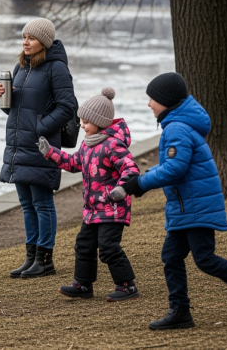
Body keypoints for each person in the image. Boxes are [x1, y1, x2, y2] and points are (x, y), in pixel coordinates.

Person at [122, 73, 227, 330]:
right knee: (171, 256)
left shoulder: (176, 128)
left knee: (204, 258)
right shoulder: (178, 124)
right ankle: (180, 311)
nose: (149, 103)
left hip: (194, 206)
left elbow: (175, 169)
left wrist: (140, 183)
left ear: (166, 101)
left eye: (153, 98)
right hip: (187, 207)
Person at [38, 87, 141, 301]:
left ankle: (127, 285)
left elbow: (131, 170)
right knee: (83, 245)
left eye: (85, 122)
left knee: (108, 247)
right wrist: (50, 152)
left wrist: (121, 189)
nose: (81, 125)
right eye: (81, 121)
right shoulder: (87, 144)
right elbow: (73, 163)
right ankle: (83, 285)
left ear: (100, 122)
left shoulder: (113, 145)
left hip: (112, 208)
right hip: (92, 210)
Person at [0, 18, 77, 279]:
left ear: (44, 41)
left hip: (41, 146)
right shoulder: (21, 66)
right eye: (24, 37)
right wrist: (0, 97)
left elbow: (67, 108)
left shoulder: (57, 69)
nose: (25, 42)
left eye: (31, 37)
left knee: (42, 203)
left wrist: (41, 128)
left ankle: (45, 260)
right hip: (19, 145)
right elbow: (13, 109)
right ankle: (31, 258)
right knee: (27, 204)